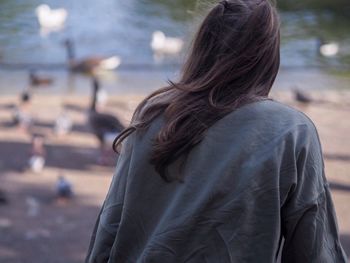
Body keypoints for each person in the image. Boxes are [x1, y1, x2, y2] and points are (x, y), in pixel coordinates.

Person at [86, 0, 347, 262]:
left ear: (202, 49)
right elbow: (317, 253)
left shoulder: (152, 117)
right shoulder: (292, 132)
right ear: (268, 58)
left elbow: (107, 235)